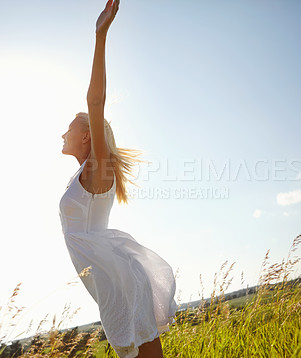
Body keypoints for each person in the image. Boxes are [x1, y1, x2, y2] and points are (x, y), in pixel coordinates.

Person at [58, 1, 177, 357]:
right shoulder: (81, 177)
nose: (61, 133)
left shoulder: (97, 171)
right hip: (112, 284)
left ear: (86, 137)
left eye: (69, 128)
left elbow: (96, 102)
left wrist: (100, 35)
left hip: (122, 283)